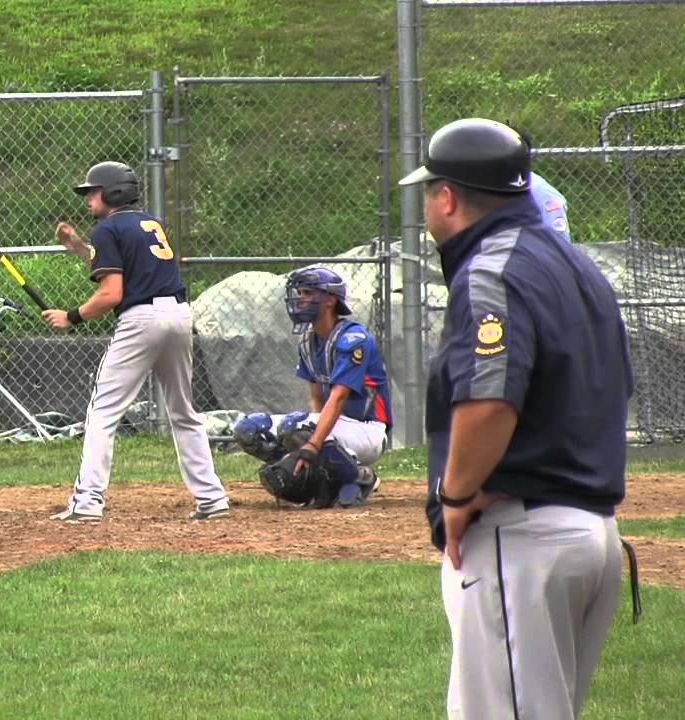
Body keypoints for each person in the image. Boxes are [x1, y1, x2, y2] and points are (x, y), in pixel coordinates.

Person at [399, 118, 633, 719]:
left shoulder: (491, 270)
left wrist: (456, 494)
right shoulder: (576, 267)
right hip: (590, 534)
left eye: (428, 192)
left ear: (447, 198)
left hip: (523, 537)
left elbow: (490, 400)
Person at [43, 160, 229, 522]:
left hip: (141, 320)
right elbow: (125, 265)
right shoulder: (149, 223)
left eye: (93, 192)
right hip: (179, 316)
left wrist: (71, 316)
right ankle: (212, 498)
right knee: (184, 412)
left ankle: (87, 502)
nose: (88, 199)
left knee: (103, 412)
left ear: (113, 192)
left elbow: (111, 293)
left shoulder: (107, 229)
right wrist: (79, 247)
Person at [231, 267, 391, 508]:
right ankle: (316, 479)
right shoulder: (308, 340)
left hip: (367, 430)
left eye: (308, 293)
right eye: (300, 293)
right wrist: (304, 450)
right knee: (249, 429)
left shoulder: (353, 339)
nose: (300, 299)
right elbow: (317, 399)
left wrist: (312, 444)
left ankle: (358, 477)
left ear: (330, 300)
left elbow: (338, 398)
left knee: (296, 426)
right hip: (336, 426)